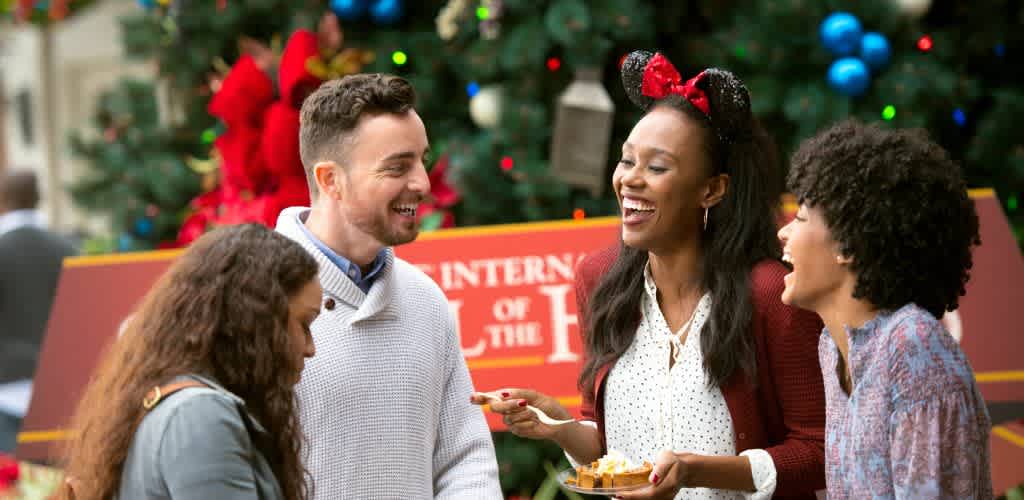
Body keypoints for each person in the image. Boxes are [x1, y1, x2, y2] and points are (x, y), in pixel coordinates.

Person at [475, 50, 826, 499]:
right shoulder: (599, 278)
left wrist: (695, 470)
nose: (630, 180)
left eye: (657, 167)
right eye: (627, 161)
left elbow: (818, 451)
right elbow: (611, 450)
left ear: (711, 189)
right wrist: (559, 426)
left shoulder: (769, 293)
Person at [275, 73, 502, 499]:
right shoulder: (250, 303)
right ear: (330, 181)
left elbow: (466, 458)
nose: (423, 184)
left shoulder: (425, 300)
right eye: (398, 167)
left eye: (421, 160)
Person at [777, 120, 992, 498]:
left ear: (847, 248)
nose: (784, 232)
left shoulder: (914, 347)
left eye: (801, 218)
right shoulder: (833, 345)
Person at [58, 224, 320, 500]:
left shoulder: (178, 402)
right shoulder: (201, 413)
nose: (310, 348)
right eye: (304, 324)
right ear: (256, 321)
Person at [0, 169, 77, 453]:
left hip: (5, 390)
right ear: (38, 199)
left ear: (3, 200)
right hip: (58, 390)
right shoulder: (68, 249)